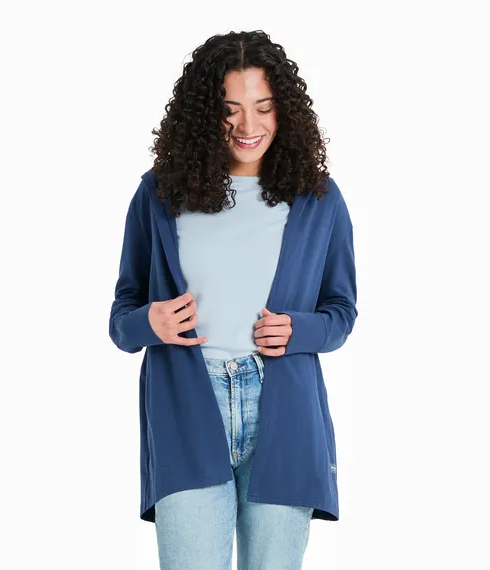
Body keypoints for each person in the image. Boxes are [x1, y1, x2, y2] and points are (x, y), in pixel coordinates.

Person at [109, 29, 358, 570]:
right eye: (230, 110)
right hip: (185, 405)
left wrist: (301, 330)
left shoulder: (317, 198)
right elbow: (121, 318)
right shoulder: (159, 193)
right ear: (204, 114)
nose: (249, 126)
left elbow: (341, 312)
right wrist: (149, 322)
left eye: (264, 107)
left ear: (284, 110)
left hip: (284, 410)